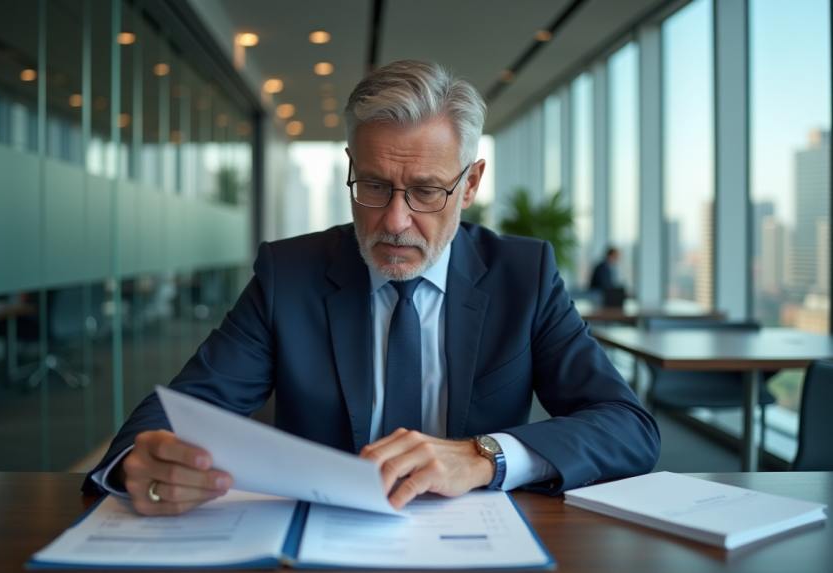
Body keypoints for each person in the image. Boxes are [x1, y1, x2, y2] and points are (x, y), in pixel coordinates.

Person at [84, 61, 659, 516]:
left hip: (477, 542)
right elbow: (176, 410)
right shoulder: (292, 273)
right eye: (375, 185)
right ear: (350, 167)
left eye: (427, 191)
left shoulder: (522, 274)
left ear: (471, 184)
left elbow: (627, 426)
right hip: (319, 542)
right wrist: (140, 461)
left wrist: (483, 457)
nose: (394, 222)